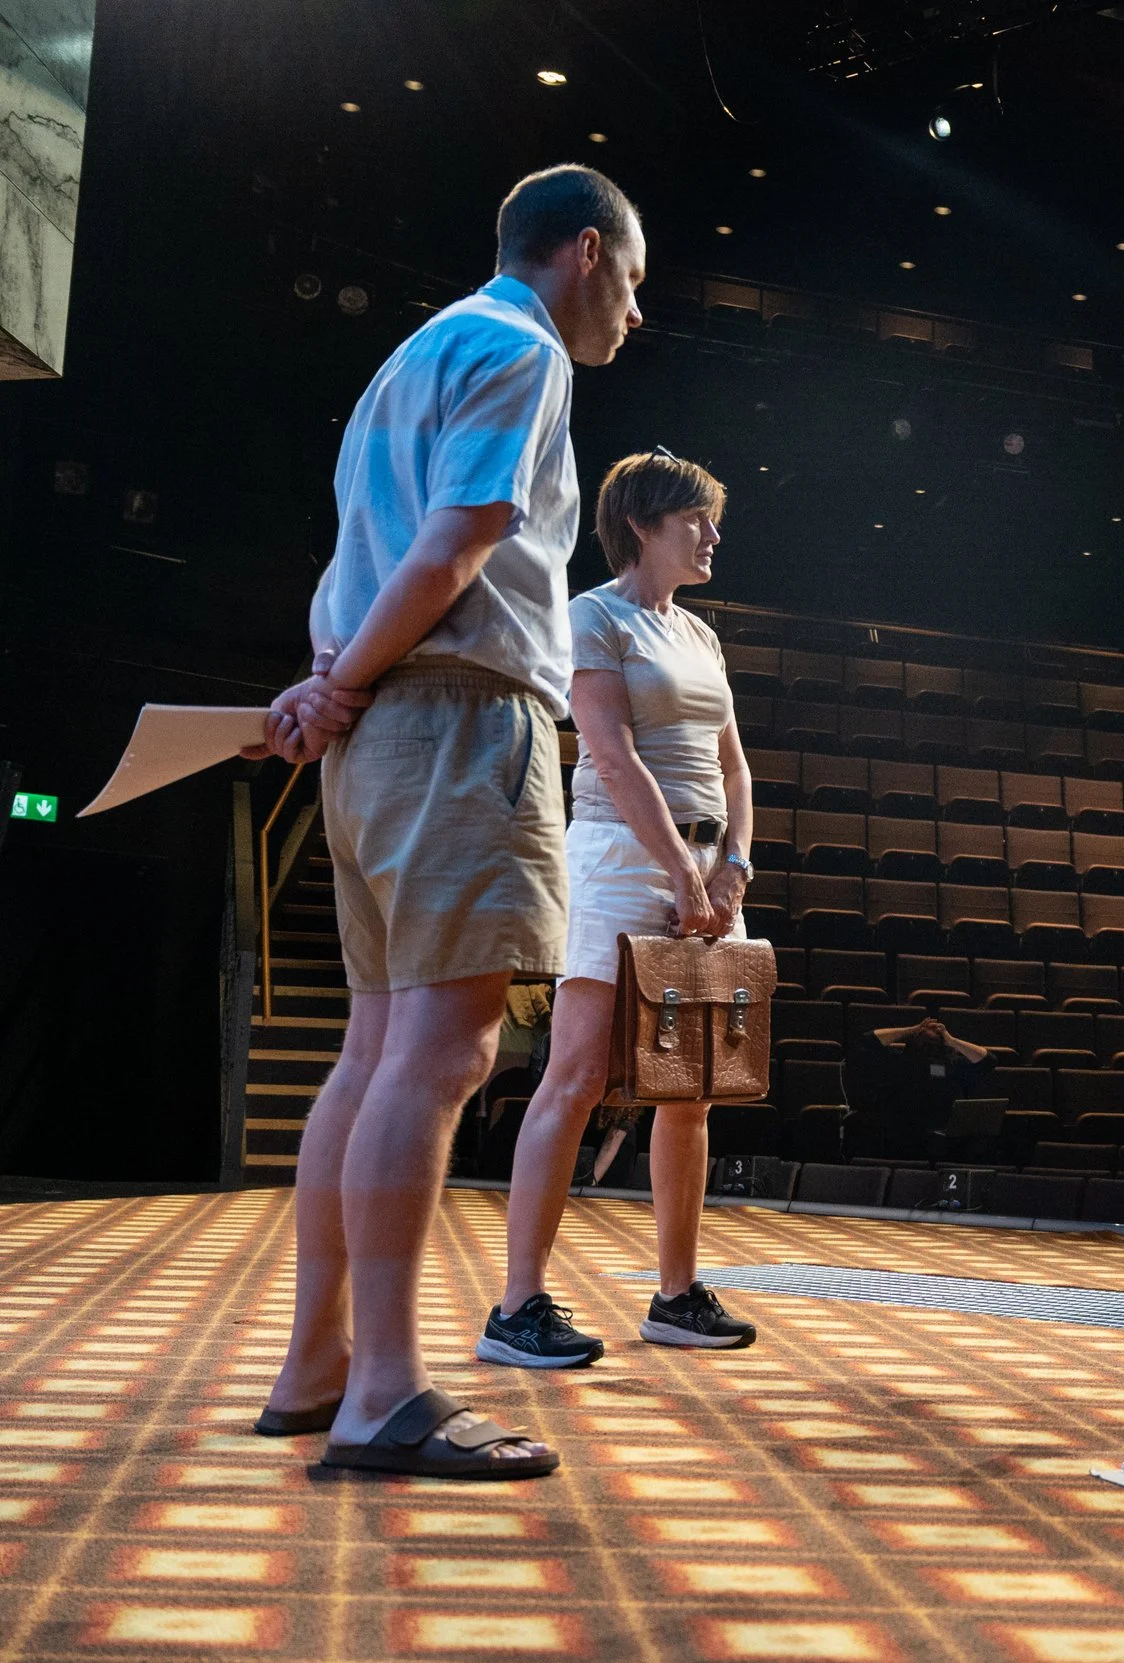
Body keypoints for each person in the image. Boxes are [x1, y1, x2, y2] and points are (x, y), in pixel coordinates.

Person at [250, 164, 644, 1479]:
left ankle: (317, 1367)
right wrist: (350, 678)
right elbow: (462, 540)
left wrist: (329, 682)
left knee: (372, 1052)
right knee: (442, 1054)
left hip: (375, 730)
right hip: (459, 715)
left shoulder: (407, 355)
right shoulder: (524, 350)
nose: (633, 313)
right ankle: (381, 1394)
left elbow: (359, 553)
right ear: (585, 253)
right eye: (632, 281)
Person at [480, 451, 761, 1367]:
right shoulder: (592, 617)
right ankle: (518, 1303)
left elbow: (734, 767)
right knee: (579, 1077)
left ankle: (675, 1295)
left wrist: (732, 868)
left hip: (708, 872)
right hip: (619, 859)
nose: (714, 536)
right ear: (642, 524)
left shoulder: (702, 636)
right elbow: (609, 754)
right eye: (698, 521)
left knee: (693, 1089)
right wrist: (680, 869)